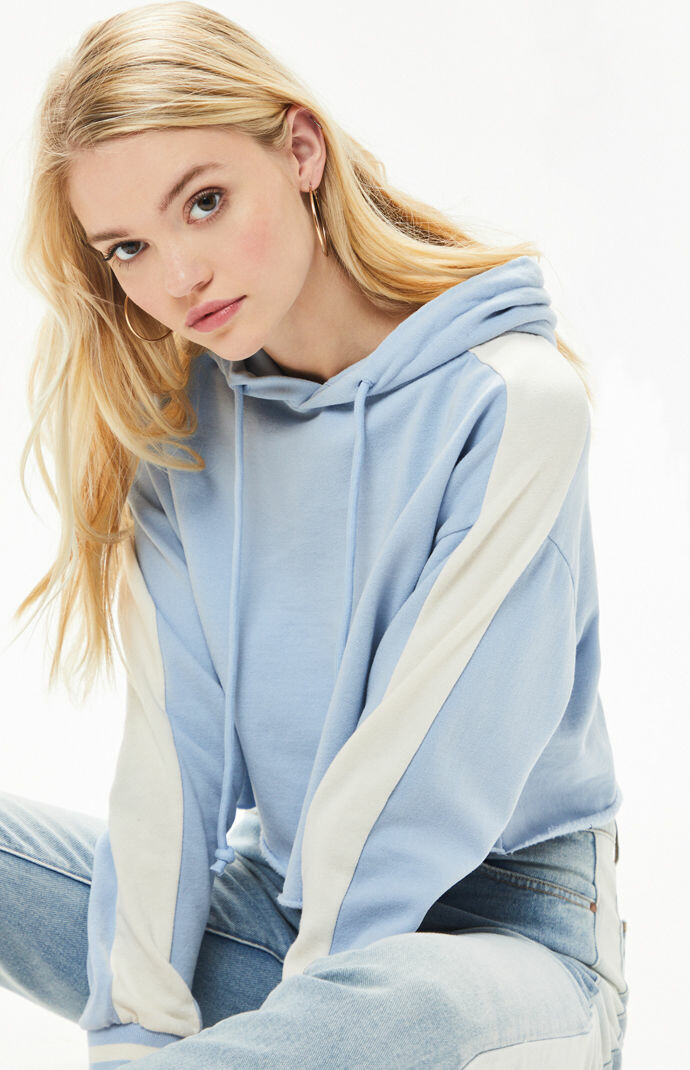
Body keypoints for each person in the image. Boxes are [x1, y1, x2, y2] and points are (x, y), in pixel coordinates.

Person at [1, 2, 629, 1067]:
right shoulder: (183, 439)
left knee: (391, 1006)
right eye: (129, 248)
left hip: (505, 946)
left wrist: (312, 1022)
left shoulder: (511, 403)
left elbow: (419, 783)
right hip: (280, 926)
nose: (178, 278)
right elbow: (170, 771)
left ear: (300, 151)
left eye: (204, 202)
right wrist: (133, 1032)